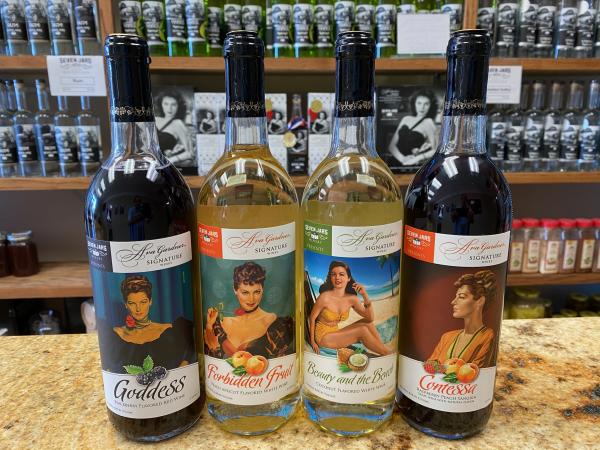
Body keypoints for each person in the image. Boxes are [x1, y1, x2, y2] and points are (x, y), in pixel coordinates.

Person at [101, 275, 196, 373]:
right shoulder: (115, 337)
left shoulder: (169, 332)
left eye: (143, 302)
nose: (138, 309)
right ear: (126, 304)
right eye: (132, 303)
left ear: (150, 301)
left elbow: (187, 362)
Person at [204, 262, 294, 359]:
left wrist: (215, 347)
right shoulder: (219, 324)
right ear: (235, 290)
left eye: (256, 292)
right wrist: (209, 327)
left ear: (262, 289)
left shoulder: (278, 325)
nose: (251, 299)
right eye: (245, 292)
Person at [308, 261, 391, 356]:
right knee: (362, 330)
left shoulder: (352, 299)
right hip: (323, 337)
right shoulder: (324, 297)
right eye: (333, 274)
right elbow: (312, 318)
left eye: (341, 274)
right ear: (330, 277)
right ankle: (386, 353)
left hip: (335, 332)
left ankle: (382, 350)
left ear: (348, 278)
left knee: (368, 324)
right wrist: (312, 341)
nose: (337, 277)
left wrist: (364, 295)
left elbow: (370, 318)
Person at [428, 270, 497, 368]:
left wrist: (441, 367)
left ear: (480, 301)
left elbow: (475, 371)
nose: (453, 302)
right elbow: (429, 366)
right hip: (434, 383)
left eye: (461, 297)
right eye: (456, 296)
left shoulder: (487, 336)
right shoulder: (447, 337)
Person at [388, 89, 439, 166]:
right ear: (414, 104)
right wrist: (402, 159)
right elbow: (391, 146)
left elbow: (436, 150)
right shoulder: (406, 119)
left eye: (426, 104)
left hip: (412, 164)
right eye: (419, 103)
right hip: (395, 161)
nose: (422, 107)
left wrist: (417, 158)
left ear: (430, 105)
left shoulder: (429, 122)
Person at [155, 90, 194, 165]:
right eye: (166, 104)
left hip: (162, 166)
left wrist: (170, 160)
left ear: (178, 106)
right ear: (161, 104)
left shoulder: (178, 123)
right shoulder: (155, 119)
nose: (169, 108)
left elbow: (190, 153)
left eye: (173, 105)